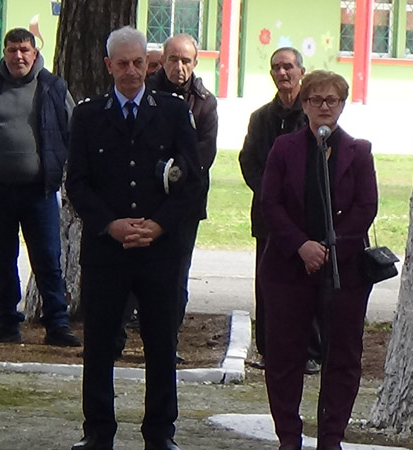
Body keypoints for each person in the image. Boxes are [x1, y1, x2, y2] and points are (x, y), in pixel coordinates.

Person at [65, 26, 200, 450]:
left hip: (159, 251)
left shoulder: (173, 113)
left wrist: (159, 225)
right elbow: (78, 183)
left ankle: (160, 433)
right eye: (122, 63)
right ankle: (97, 432)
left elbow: (192, 182)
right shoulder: (88, 116)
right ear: (109, 65)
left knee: (161, 345)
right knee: (99, 346)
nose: (131, 71)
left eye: (138, 62)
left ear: (147, 64)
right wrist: (110, 225)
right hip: (107, 251)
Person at [259, 70, 377, 450]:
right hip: (288, 267)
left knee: (342, 356)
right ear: (304, 104)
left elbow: (366, 207)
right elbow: (270, 204)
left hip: (343, 271)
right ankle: (288, 437)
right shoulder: (284, 148)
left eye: (332, 100)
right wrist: (302, 246)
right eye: (316, 100)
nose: (324, 107)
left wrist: (328, 248)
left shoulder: (359, 151)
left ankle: (331, 437)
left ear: (342, 105)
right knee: (284, 356)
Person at [0, 27, 80, 347]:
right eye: (12, 50)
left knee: (47, 260)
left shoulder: (53, 86)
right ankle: (7, 323)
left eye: (24, 50)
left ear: (34, 53)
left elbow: (73, 130)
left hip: (40, 191)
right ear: (4, 53)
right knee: (2, 261)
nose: (18, 56)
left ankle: (57, 325)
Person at [238, 47, 320, 374]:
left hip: (306, 219)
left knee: (307, 285)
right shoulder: (261, 118)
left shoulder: (313, 116)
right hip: (269, 218)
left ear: (301, 72)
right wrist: (271, 194)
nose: (282, 73)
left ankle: (310, 351)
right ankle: (269, 350)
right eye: (276, 68)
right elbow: (249, 161)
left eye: (288, 67)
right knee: (268, 284)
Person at [147, 32, 218, 335]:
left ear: (195, 63)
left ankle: (168, 339)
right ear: (162, 60)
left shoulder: (205, 103)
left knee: (176, 275)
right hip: (145, 196)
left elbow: (204, 152)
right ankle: (118, 341)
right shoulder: (144, 94)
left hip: (186, 201)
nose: (179, 67)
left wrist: (173, 172)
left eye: (186, 61)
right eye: (173, 59)